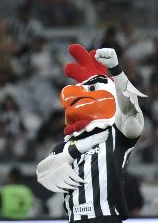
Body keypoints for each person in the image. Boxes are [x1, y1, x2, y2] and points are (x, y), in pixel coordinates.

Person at [36, 44, 146, 222]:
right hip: (75, 218)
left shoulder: (116, 135)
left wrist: (116, 71)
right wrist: (79, 146)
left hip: (106, 217)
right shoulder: (63, 146)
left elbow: (131, 111)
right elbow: (44, 172)